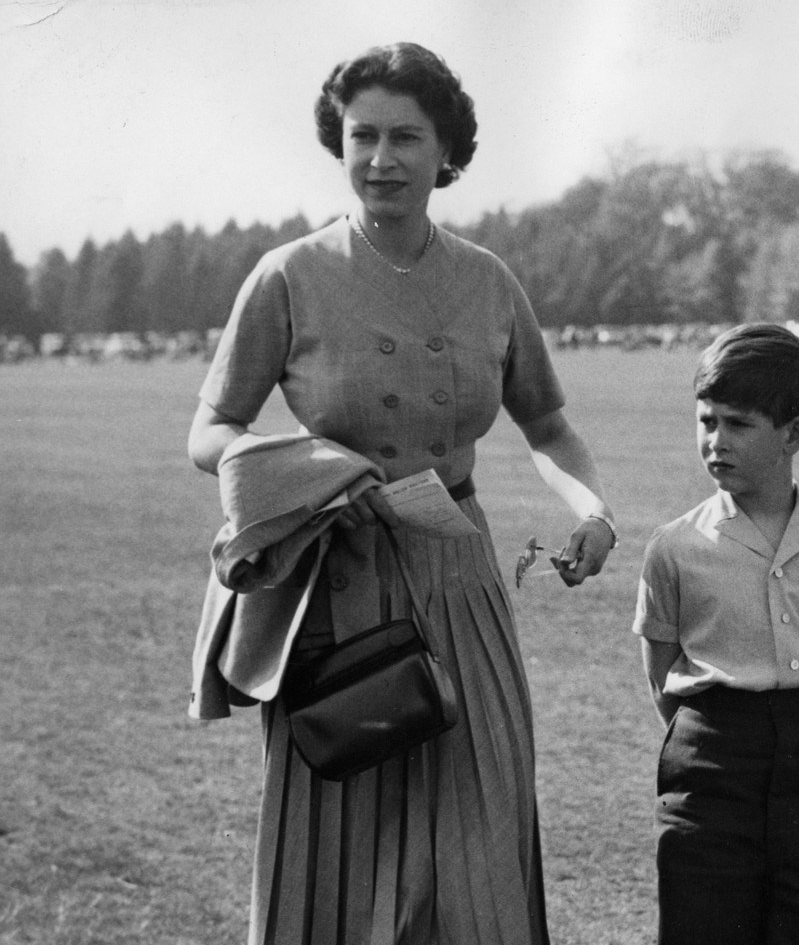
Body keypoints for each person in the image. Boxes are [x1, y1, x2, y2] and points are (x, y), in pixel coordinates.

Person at [186, 42, 616, 945]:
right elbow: (211, 430)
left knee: (484, 832)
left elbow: (550, 426)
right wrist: (313, 474)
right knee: (333, 850)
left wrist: (592, 509)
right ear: (337, 145)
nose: (381, 159)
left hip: (461, 581)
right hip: (336, 592)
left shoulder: (489, 280)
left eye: (405, 138)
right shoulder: (289, 274)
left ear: (444, 150)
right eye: (362, 136)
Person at [633, 323, 799, 945]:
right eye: (706, 421)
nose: (716, 442)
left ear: (794, 434)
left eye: (737, 425)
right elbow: (659, 669)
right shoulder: (675, 546)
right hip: (709, 769)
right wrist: (714, 740)